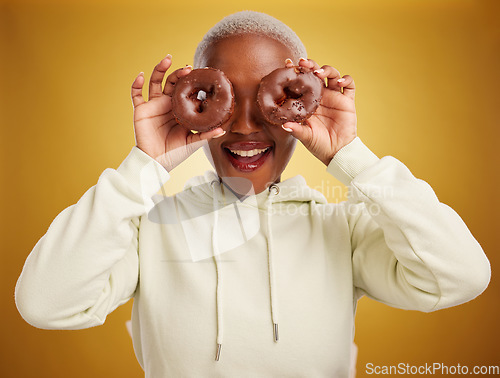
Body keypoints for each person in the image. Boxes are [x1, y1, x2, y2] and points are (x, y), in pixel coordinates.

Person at [15, 11, 490, 378]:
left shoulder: (342, 231)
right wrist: (144, 168)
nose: (244, 126)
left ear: (303, 103)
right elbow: (44, 303)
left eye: (268, 101)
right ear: (192, 104)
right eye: (221, 100)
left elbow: (461, 275)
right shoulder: (147, 229)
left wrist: (352, 156)